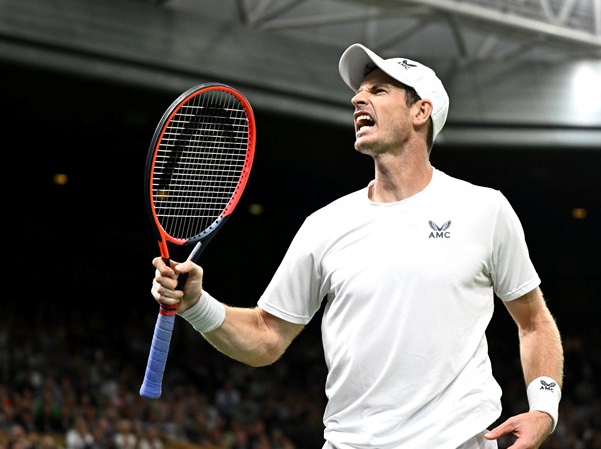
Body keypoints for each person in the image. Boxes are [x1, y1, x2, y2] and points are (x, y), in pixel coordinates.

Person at [150, 43, 564, 449]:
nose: (357, 98)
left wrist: (544, 408)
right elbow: (267, 338)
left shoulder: (484, 209)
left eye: (378, 91)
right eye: (359, 91)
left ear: (421, 112)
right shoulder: (325, 225)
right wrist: (196, 304)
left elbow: (533, 321)